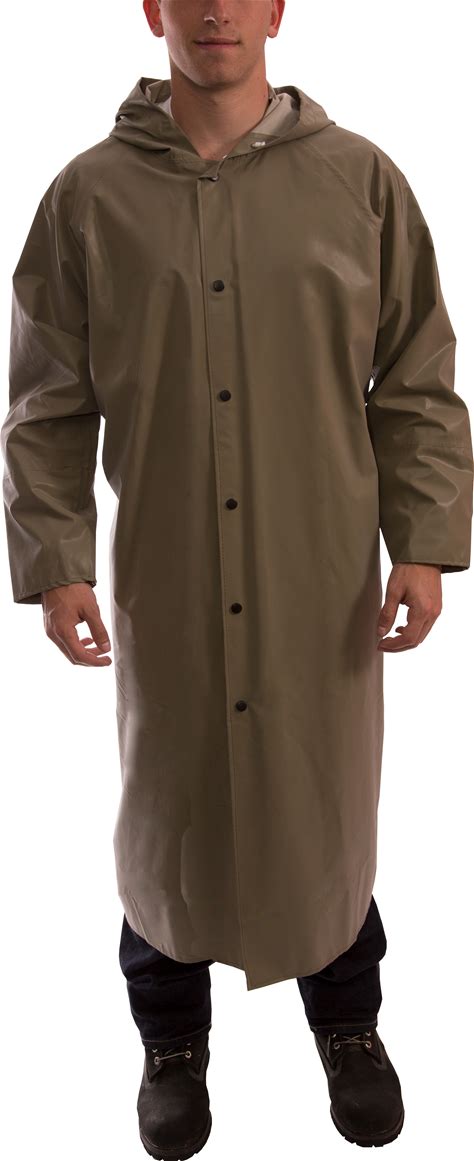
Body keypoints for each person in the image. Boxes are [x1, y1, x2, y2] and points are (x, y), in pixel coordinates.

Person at [1, 2, 473, 1157]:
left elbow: (416, 379)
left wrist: (422, 539)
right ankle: (170, 1042)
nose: (215, 9)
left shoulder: (362, 184)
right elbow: (46, 405)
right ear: (152, 10)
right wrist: (57, 561)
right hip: (164, 582)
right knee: (167, 815)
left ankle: (348, 1025)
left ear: (276, 10)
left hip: (322, 582)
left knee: (322, 812)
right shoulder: (88, 198)